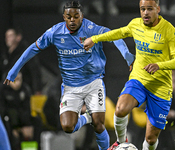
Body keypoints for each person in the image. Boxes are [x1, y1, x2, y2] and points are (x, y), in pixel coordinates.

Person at [3, 1, 135, 150]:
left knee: (99, 125)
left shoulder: (91, 29)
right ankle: (87, 118)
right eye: (69, 16)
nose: (72, 20)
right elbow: (33, 48)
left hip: (93, 83)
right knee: (67, 126)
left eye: (76, 16)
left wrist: (127, 55)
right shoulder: (55, 32)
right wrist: (14, 70)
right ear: (64, 17)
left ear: (82, 16)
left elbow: (115, 36)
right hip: (70, 86)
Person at [83, 0, 175, 149]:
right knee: (120, 110)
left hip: (160, 88)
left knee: (150, 139)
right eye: (142, 9)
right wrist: (94, 39)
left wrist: (160, 65)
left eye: (149, 9)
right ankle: (120, 142)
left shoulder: (169, 31)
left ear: (158, 9)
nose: (145, 13)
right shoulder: (136, 24)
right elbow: (118, 33)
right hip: (139, 80)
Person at [1, 28, 42, 95]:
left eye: (10, 36)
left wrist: (37, 89)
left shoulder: (27, 53)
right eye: (6, 36)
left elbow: (35, 71)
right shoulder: (5, 54)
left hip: (25, 91)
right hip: (7, 91)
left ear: (18, 37)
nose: (7, 38)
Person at [0, 72, 34, 150]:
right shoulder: (2, 90)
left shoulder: (25, 90)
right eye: (15, 80)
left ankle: (33, 148)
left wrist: (26, 125)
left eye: (19, 80)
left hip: (22, 122)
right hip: (9, 121)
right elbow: (3, 111)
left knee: (36, 122)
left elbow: (27, 109)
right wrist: (15, 128)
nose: (17, 83)